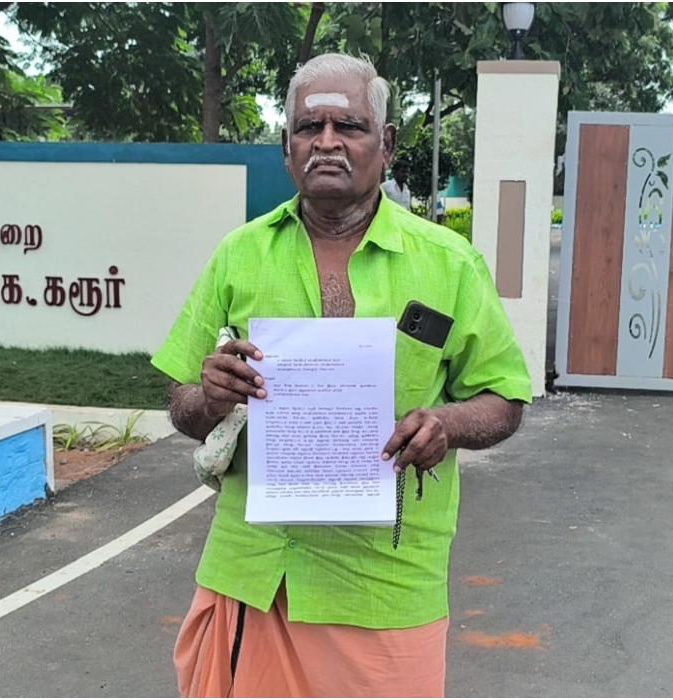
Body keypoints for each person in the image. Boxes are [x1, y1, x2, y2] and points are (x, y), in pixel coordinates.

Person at [151, 53, 531, 698]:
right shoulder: (239, 255)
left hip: (386, 582)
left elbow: (505, 399)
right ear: (287, 147)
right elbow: (180, 400)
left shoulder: (450, 264)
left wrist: (445, 423)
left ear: (386, 145)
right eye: (309, 127)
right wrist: (209, 399)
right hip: (255, 570)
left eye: (349, 126)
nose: (326, 142)